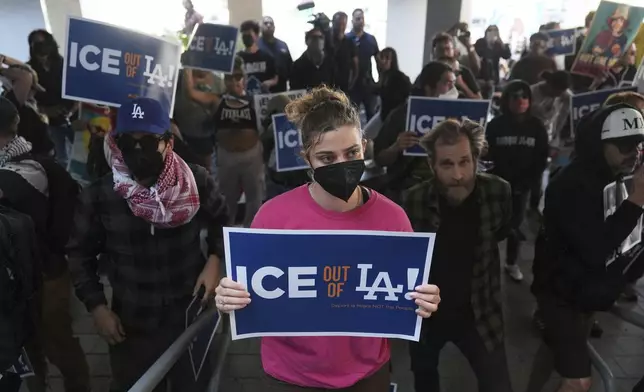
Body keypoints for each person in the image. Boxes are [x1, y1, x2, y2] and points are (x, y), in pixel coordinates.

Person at [213, 86, 441, 391]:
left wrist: (424, 300)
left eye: (351, 153)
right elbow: (251, 294)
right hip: (289, 377)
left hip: (367, 376)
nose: (341, 165)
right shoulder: (273, 218)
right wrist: (229, 296)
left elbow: (407, 296)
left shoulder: (393, 219)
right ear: (306, 157)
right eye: (326, 157)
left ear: (364, 146)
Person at [67, 97, 229, 392]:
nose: (139, 151)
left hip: (188, 312)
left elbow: (224, 223)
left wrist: (216, 259)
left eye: (149, 141)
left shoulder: (197, 182)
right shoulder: (100, 195)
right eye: (129, 142)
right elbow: (79, 254)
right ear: (117, 143)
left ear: (168, 142)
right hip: (132, 320)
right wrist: (97, 307)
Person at [529, 103, 644, 392]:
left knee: (554, 352)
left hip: (585, 288)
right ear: (600, 145)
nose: (635, 152)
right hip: (560, 292)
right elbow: (595, 249)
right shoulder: (570, 185)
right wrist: (638, 198)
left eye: (639, 144)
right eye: (625, 145)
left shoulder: (616, 174)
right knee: (578, 380)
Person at [402, 118, 514, 392]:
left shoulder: (498, 192)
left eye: (464, 162)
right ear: (432, 165)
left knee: (498, 384)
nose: (458, 174)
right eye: (447, 164)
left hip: (480, 311)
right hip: (427, 316)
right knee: (425, 380)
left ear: (476, 158)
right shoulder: (413, 200)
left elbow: (500, 232)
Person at [485, 81, 549, 282]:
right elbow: (486, 157)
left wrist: (530, 184)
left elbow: (541, 157)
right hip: (496, 186)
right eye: (515, 96)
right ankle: (487, 263)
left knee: (515, 227)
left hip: (522, 187)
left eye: (525, 96)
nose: (520, 101)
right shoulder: (495, 125)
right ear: (507, 100)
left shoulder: (537, 126)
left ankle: (511, 263)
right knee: (490, 226)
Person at [374, 62, 457, 203]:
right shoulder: (401, 115)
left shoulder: (456, 118)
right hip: (409, 190)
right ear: (429, 87)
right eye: (447, 83)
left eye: (453, 83)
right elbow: (379, 159)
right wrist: (396, 147)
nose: (452, 88)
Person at [213, 63, 264, 227]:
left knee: (254, 197)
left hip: (251, 155)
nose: (234, 81)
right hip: (226, 156)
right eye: (229, 77)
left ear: (244, 79)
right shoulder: (216, 100)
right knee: (226, 198)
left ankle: (252, 232)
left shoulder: (255, 100)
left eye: (238, 77)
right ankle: (225, 236)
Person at [27, 29, 77, 168]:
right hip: (51, 123)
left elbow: (78, 89)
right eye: (36, 44)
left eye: (43, 43)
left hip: (73, 117)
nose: (41, 47)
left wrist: (73, 109)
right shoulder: (30, 70)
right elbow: (28, 101)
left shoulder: (64, 64)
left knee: (81, 154)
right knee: (61, 159)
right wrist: (46, 110)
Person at [346, 8, 380, 121]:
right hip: (351, 86)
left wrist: (380, 80)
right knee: (351, 116)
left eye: (362, 18)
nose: (360, 21)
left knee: (371, 114)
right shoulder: (347, 39)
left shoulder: (370, 39)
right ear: (352, 21)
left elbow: (378, 60)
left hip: (368, 83)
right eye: (357, 18)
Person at [432, 32, 481, 99]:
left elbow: (479, 99)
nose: (444, 53)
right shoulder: (428, 72)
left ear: (454, 51)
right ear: (434, 53)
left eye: (447, 49)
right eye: (441, 49)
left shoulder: (464, 72)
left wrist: (462, 85)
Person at [238, 20, 279, 95]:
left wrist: (269, 83)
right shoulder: (238, 58)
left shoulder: (267, 57)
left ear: (256, 36)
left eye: (249, 35)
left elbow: (275, 78)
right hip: (244, 98)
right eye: (244, 35)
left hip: (262, 98)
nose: (246, 38)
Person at [258, 16, 292, 93]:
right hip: (262, 92)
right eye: (266, 23)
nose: (269, 25)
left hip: (281, 90)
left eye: (271, 23)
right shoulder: (256, 46)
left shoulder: (283, 45)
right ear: (260, 27)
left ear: (274, 27)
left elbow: (290, 68)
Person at [376, 47, 411, 122]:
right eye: (382, 58)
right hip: (385, 114)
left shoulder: (400, 78)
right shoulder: (384, 76)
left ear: (392, 61)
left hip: (395, 116)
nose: (383, 61)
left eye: (387, 58)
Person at [331, 12, 359, 93]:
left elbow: (355, 67)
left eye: (343, 24)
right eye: (338, 24)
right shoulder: (327, 41)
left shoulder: (350, 43)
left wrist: (351, 84)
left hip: (344, 86)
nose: (340, 27)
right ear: (333, 23)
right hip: (328, 85)